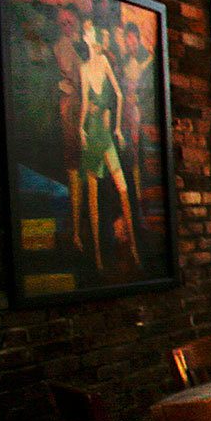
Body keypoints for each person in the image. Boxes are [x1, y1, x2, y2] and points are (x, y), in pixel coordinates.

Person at [72, 18, 139, 271]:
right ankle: (97, 257)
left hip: (105, 134)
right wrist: (80, 128)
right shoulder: (84, 67)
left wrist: (118, 128)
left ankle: (133, 248)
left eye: (90, 30)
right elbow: (83, 101)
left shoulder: (103, 61)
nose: (88, 34)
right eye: (86, 31)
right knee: (92, 197)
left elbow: (119, 95)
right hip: (91, 132)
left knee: (122, 188)